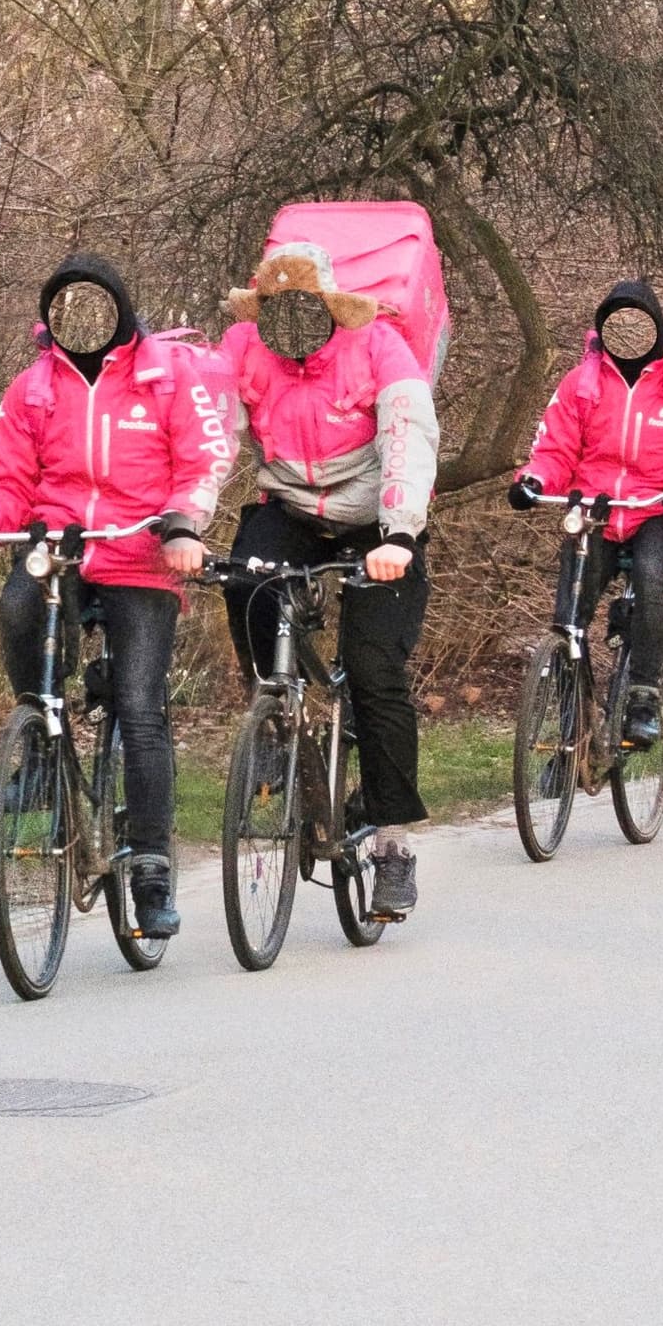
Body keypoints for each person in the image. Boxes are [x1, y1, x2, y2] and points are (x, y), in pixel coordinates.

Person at [0, 256, 236, 939]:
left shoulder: (165, 379)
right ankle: (42, 734)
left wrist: (182, 523)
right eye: (65, 309)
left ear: (120, 312)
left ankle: (150, 865)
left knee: (141, 708)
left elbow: (204, 458)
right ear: (52, 320)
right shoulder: (33, 388)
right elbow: (5, 473)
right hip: (62, 541)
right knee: (18, 607)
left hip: (142, 550)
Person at [215, 239, 439, 919]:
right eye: (276, 310)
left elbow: (408, 436)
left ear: (329, 307)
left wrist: (400, 532)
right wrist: (182, 525)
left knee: (374, 672)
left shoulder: (379, 347)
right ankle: (275, 722)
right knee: (244, 582)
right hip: (289, 508)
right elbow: (212, 435)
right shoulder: (242, 349)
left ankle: (393, 843)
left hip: (376, 520)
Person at [510, 280, 663, 746]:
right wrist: (533, 481)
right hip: (595, 510)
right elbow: (554, 449)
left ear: (657, 328)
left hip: (658, 510)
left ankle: (643, 696)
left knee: (652, 576)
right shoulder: (581, 385)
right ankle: (573, 734)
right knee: (570, 612)